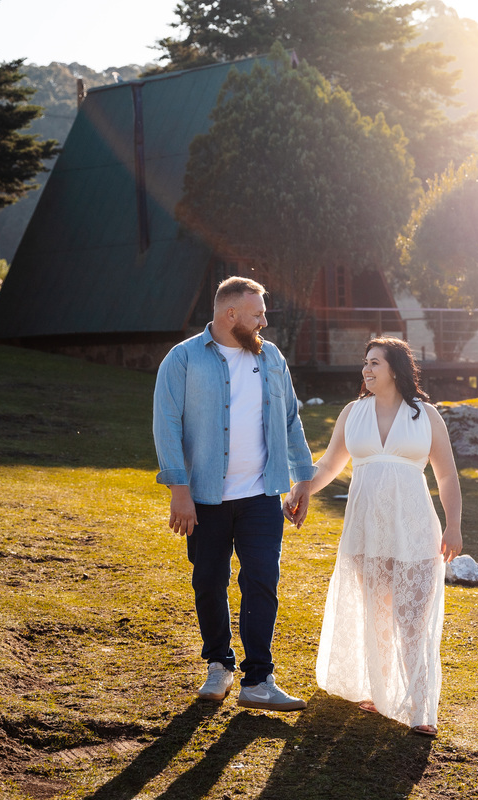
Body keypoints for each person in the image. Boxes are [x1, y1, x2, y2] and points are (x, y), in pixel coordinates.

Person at [152, 276, 315, 711]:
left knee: (262, 581)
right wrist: (179, 491)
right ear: (231, 314)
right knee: (208, 581)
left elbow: (290, 419)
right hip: (204, 497)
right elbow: (166, 424)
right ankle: (219, 665)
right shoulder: (183, 358)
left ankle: (258, 680)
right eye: (257, 314)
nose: (264, 322)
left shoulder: (271, 356)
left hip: (261, 495)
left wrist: (302, 479)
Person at [307, 337, 462, 736]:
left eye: (375, 362)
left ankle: (421, 709)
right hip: (366, 530)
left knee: (411, 622)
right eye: (365, 362)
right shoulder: (352, 413)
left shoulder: (425, 415)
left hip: (415, 530)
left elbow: (446, 475)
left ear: (395, 368)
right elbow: (329, 464)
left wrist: (454, 525)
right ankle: (379, 693)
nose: (366, 369)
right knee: (376, 615)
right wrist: (302, 490)